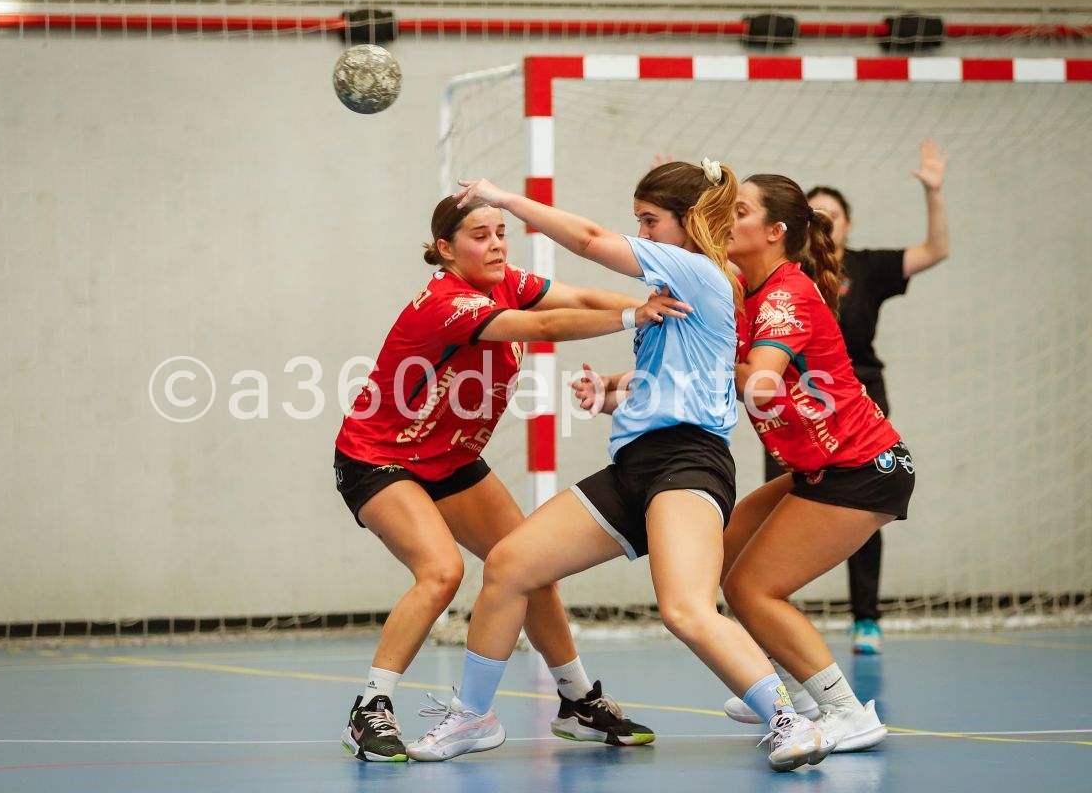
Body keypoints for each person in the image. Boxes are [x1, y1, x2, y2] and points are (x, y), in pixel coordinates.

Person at [408, 161, 835, 773]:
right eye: (638, 222)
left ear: (688, 225)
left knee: (685, 608)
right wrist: (613, 394)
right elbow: (680, 380)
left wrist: (504, 198)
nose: (643, 233)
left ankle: (789, 720)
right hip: (638, 464)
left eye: (650, 222)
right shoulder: (681, 289)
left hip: (688, 466)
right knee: (509, 565)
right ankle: (474, 716)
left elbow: (584, 238)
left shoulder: (695, 269)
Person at [334, 193, 683, 762]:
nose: (496, 244)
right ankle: (370, 707)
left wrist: (656, 303)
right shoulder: (446, 304)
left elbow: (583, 295)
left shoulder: (508, 282)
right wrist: (632, 315)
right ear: (446, 249)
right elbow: (545, 324)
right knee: (441, 571)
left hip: (450, 459)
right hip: (380, 457)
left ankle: (576, 701)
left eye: (501, 232)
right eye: (480, 235)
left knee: (529, 566)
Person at [721, 173, 917, 751]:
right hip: (820, 469)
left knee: (754, 590)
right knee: (727, 545)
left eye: (738, 211)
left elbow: (758, 381)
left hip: (863, 468)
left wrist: (698, 369)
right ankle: (796, 691)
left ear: (776, 232)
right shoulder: (745, 290)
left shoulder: (786, 294)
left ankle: (845, 711)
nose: (726, 221)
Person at [789, 139, 948, 655]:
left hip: (861, 398)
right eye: (814, 212)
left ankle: (866, 619)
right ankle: (771, 612)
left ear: (848, 224)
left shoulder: (870, 267)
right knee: (786, 502)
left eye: (831, 212)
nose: (823, 219)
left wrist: (934, 193)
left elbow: (935, 251)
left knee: (858, 505)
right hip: (795, 402)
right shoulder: (785, 275)